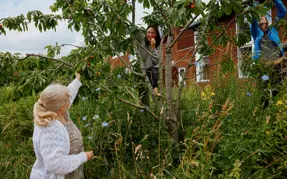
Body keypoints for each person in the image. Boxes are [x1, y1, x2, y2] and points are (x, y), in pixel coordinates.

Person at [30, 73, 93, 179]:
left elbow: (69, 93)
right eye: (68, 98)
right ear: (62, 107)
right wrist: (83, 157)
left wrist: (77, 80)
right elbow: (55, 164)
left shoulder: (57, 111)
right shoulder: (50, 128)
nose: (70, 98)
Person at [137, 25, 162, 97]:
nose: (150, 35)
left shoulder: (157, 46)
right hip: (141, 67)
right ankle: (141, 102)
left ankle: (155, 90)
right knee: (142, 94)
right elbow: (133, 31)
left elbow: (156, 61)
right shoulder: (142, 39)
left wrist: (153, 47)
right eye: (148, 32)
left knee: (153, 70)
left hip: (151, 69)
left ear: (156, 35)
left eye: (153, 33)